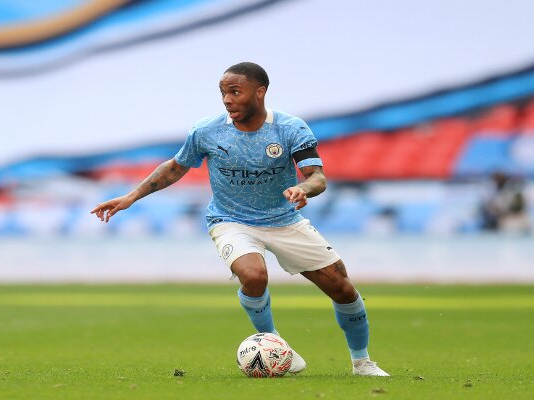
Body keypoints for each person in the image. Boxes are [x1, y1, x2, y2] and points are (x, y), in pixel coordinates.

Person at [91, 62, 389, 377]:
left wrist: (303, 189)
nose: (227, 100)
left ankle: (362, 362)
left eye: (235, 91)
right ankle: (274, 342)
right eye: (223, 93)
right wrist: (131, 197)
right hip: (231, 220)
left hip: (284, 220)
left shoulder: (290, 128)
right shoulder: (207, 130)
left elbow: (317, 178)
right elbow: (176, 167)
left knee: (342, 288)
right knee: (254, 275)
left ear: (260, 92)